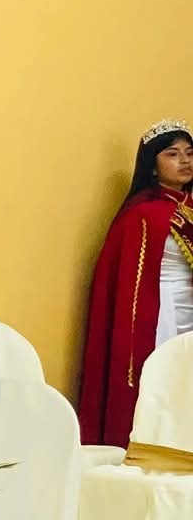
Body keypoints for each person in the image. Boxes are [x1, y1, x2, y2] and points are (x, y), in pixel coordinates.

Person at [79, 118, 193, 447]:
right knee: (166, 378)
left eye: (189, 153)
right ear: (153, 166)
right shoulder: (142, 214)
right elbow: (128, 279)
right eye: (172, 154)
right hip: (161, 310)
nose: (184, 161)